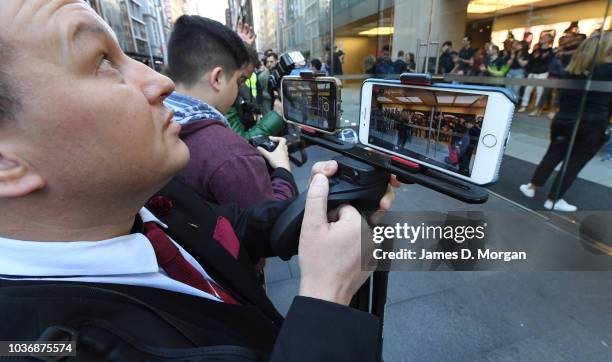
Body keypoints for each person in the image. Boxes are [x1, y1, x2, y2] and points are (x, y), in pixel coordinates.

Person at [0, 1, 398, 360]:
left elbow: (230, 225)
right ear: (7, 163)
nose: (161, 83)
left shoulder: (151, 198)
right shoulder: (37, 346)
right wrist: (326, 302)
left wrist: (316, 203)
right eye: (102, 60)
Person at [163, 16, 294, 208]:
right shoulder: (231, 156)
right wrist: (283, 170)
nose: (238, 89)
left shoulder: (154, 123)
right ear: (217, 79)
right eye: (239, 81)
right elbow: (270, 223)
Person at [519, 32, 612, 212]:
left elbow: (563, 97)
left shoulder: (573, 69)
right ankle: (554, 199)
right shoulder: (608, 71)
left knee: (553, 153)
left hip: (565, 119)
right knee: (574, 163)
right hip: (592, 124)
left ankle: (531, 187)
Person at [518, 34, 554, 113]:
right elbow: (530, 62)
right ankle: (524, 106)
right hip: (533, 73)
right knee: (528, 90)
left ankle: (537, 109)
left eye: (545, 37)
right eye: (542, 37)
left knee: (539, 91)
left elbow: (549, 62)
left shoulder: (550, 51)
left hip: (543, 73)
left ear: (549, 40)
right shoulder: (536, 50)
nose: (542, 38)